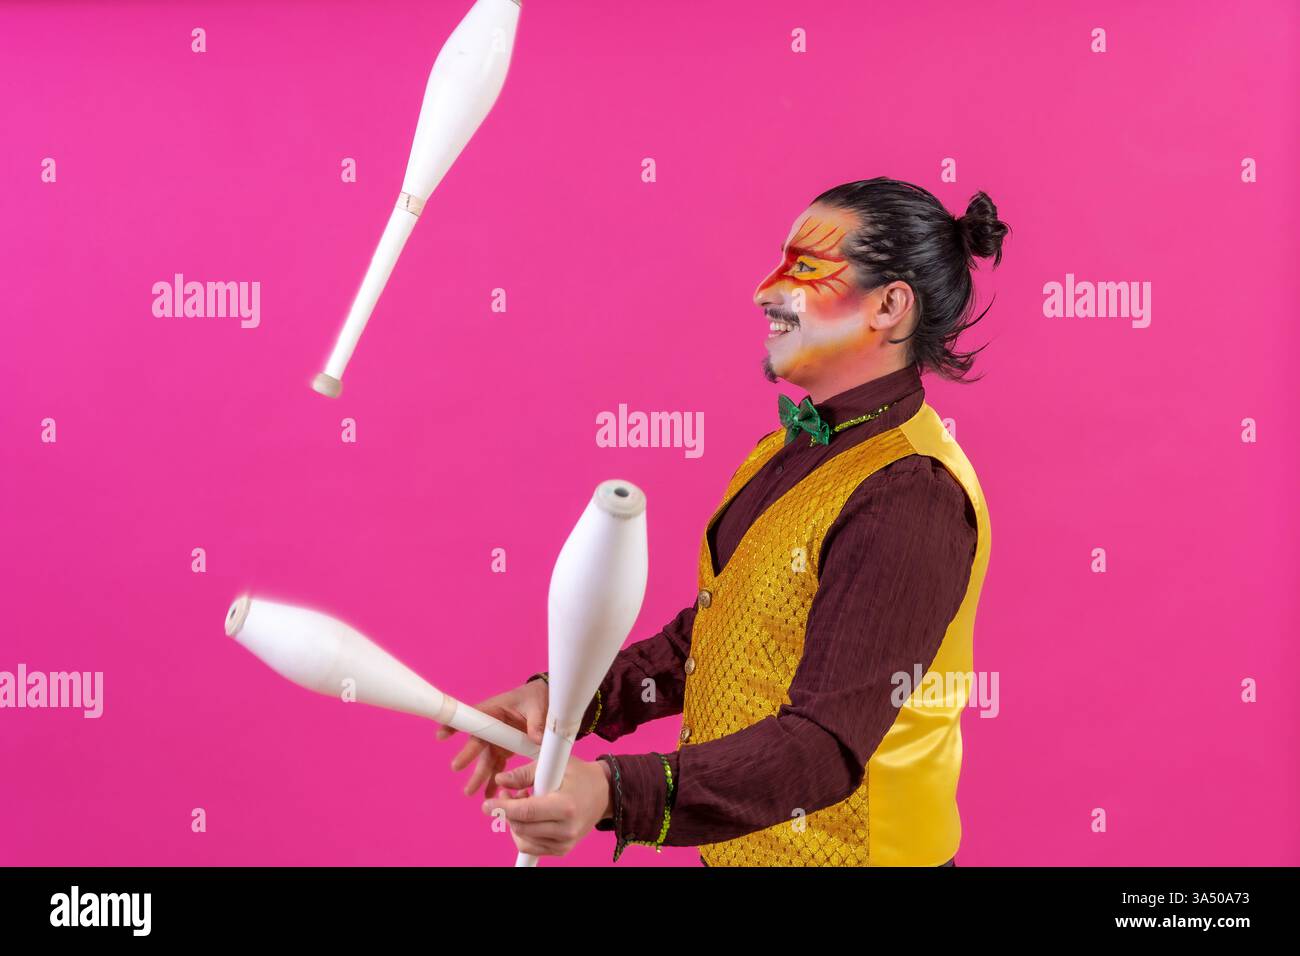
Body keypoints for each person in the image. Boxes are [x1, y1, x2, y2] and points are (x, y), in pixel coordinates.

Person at [437, 177, 1009, 866]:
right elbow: (720, 640)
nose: (765, 291)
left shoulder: (911, 494)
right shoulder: (792, 448)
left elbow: (823, 746)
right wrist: (565, 701)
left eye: (803, 268)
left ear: (889, 306)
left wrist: (616, 792)